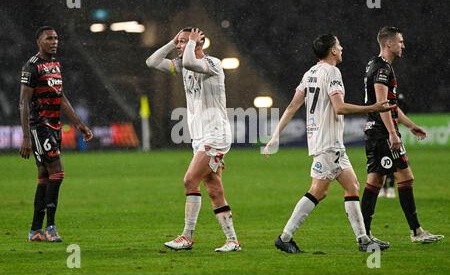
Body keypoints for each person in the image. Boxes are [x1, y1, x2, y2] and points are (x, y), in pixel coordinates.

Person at [264, 34, 393, 253]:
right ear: (332, 51)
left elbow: (292, 106)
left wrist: (275, 135)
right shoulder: (332, 72)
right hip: (328, 142)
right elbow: (339, 107)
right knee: (317, 191)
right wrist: (374, 108)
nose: (342, 48)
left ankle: (363, 239)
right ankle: (285, 237)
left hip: (325, 141)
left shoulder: (310, 73)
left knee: (351, 186)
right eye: (339, 45)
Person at [145, 27, 240, 252]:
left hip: (215, 135)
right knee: (214, 189)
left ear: (198, 43)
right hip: (200, 137)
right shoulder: (182, 64)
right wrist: (172, 41)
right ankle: (232, 241)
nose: (179, 46)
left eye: (183, 42)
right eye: (178, 42)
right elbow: (151, 61)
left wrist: (191, 44)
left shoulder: (213, 64)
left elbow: (190, 62)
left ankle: (187, 236)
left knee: (189, 180)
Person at [361, 26, 444, 243]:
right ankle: (415, 232)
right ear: (388, 44)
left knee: (376, 181)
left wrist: (410, 126)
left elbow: (392, 106)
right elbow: (383, 104)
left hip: (377, 132)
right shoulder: (382, 69)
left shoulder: (376, 65)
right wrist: (392, 133)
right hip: (382, 133)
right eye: (400, 41)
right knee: (404, 177)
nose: (403, 45)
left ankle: (365, 234)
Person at [20, 26, 93, 242]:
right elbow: (23, 102)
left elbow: (60, 97)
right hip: (40, 126)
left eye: (56, 38)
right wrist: (26, 137)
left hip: (55, 126)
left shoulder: (55, 65)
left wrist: (79, 124)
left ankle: (35, 230)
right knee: (57, 173)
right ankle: (50, 227)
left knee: (44, 177)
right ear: (38, 41)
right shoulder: (31, 67)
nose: (54, 41)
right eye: (49, 38)